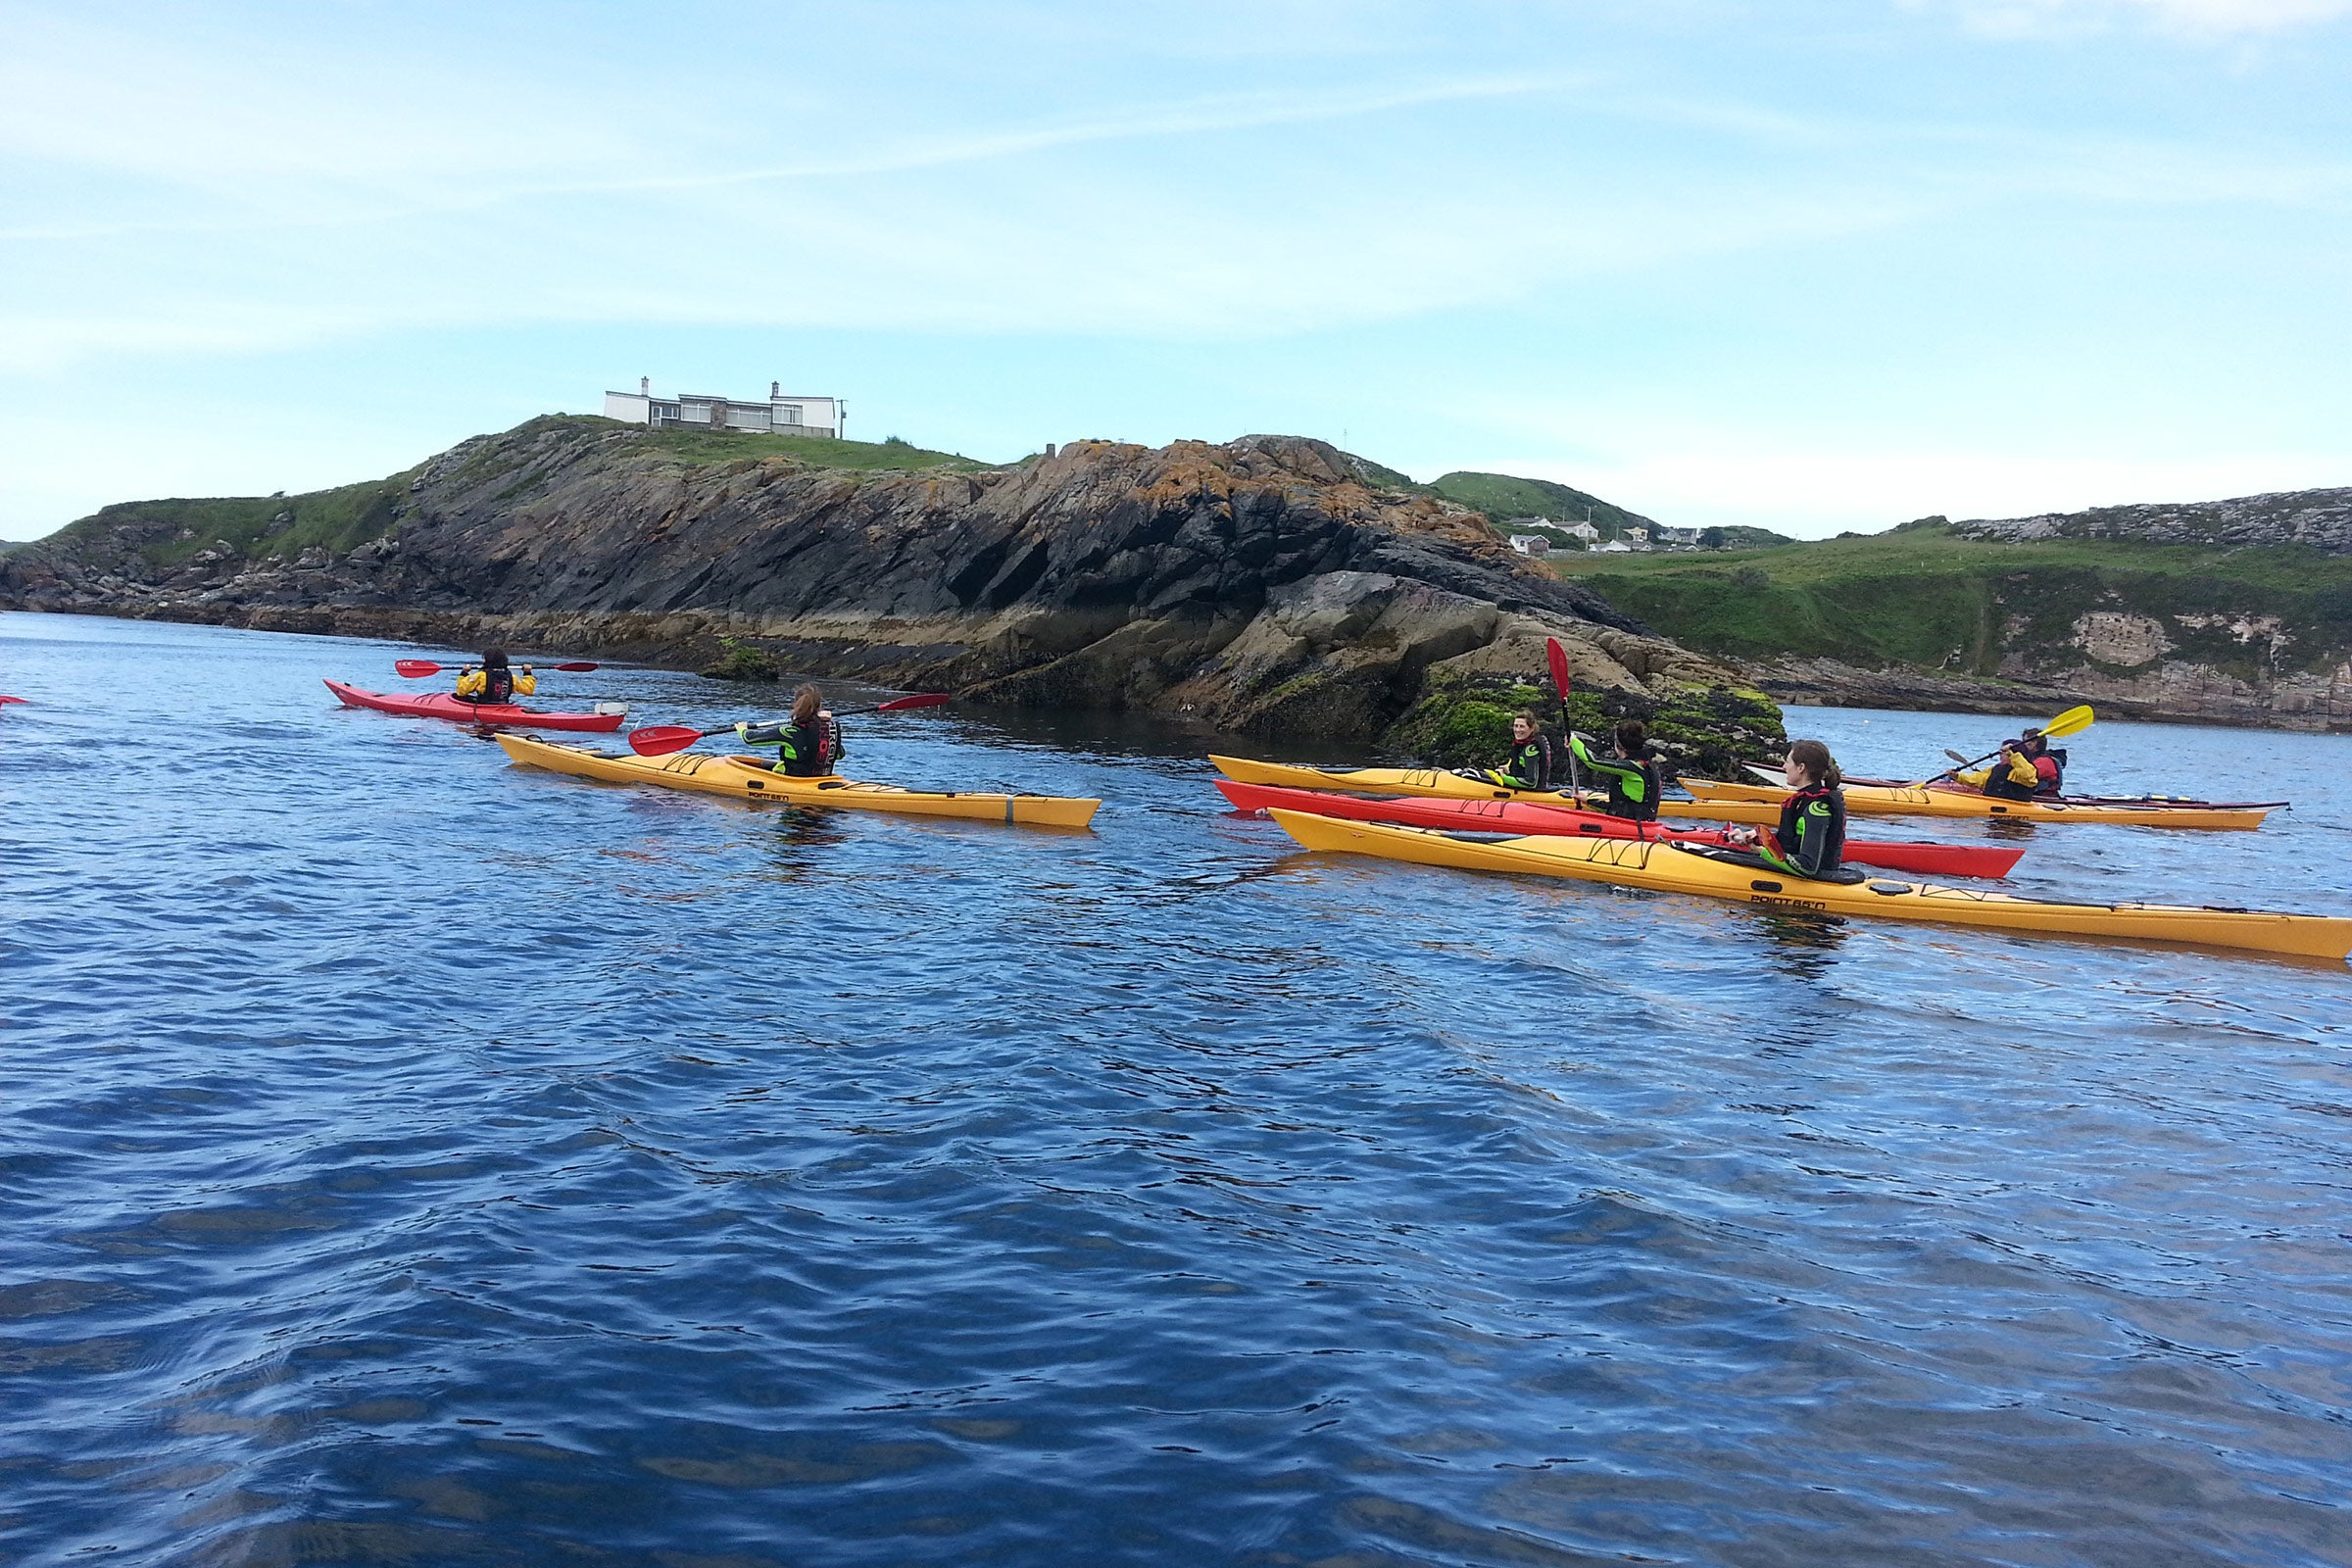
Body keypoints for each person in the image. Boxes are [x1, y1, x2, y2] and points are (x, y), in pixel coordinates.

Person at [1738, 738, 1846, 879]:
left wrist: (1762, 852)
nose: (1784, 767)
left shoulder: (1817, 809)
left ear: (1801, 768)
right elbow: (1792, 840)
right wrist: (1757, 838)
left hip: (1816, 880)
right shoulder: (1803, 801)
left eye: (1788, 762)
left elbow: (1808, 867)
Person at [734, 683, 845, 777]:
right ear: (820, 706)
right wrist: (825, 724)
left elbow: (750, 739)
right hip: (821, 779)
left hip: (794, 780)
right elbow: (840, 754)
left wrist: (742, 728)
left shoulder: (789, 732)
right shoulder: (830, 729)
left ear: (796, 704)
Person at [1570, 718, 1661, 821]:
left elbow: (1593, 762)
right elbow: (1618, 808)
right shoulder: (1648, 765)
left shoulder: (1633, 768)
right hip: (1637, 821)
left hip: (1632, 827)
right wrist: (1588, 801)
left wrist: (1573, 741)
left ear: (1617, 745)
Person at [1956, 728, 2061, 801]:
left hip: (2040, 797)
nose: (2022, 744)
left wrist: (2013, 755)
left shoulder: (2043, 761)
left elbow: (2029, 775)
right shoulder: (2000, 767)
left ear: (2033, 743)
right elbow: (1980, 779)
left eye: (2025, 741)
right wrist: (1957, 776)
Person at [454, 649, 534, 705]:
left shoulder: (480, 676)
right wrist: (527, 673)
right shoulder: (512, 677)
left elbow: (461, 691)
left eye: (484, 659)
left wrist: (464, 673)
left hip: (484, 707)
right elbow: (529, 690)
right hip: (504, 706)